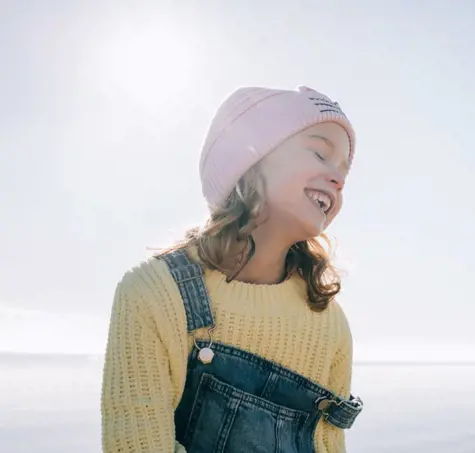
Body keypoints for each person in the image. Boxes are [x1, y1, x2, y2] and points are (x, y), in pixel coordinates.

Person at [100, 85, 363, 453]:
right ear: (251, 160)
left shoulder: (330, 324)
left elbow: (329, 444)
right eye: (320, 153)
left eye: (344, 170)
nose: (339, 178)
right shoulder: (155, 292)